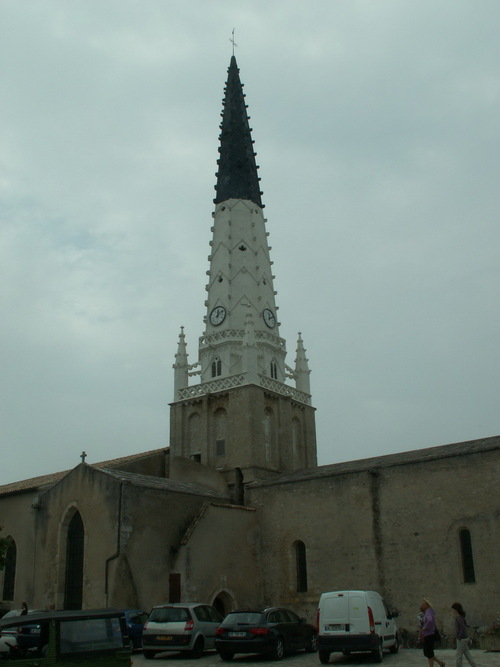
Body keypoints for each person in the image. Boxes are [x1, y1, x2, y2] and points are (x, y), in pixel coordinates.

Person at [420, 597, 445, 667]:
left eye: (423, 604)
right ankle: (440, 663)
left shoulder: (428, 613)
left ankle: (434, 665)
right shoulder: (428, 612)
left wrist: (425, 627)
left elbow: (430, 621)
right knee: (428, 652)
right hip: (429, 634)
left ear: (427, 605)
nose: (422, 605)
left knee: (429, 652)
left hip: (429, 635)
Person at [451, 602, 477, 667]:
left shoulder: (460, 618)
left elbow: (463, 628)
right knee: (467, 653)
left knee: (459, 655)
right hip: (464, 638)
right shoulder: (460, 618)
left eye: (453, 609)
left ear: (456, 610)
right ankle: (473, 665)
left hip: (461, 639)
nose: (452, 611)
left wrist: (459, 637)